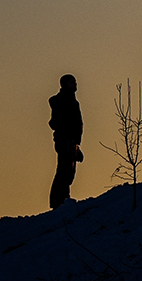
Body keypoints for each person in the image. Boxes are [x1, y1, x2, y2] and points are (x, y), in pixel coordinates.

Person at [48, 74, 84, 209]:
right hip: (65, 140)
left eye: (75, 81)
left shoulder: (72, 101)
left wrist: (77, 145)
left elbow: (77, 123)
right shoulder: (63, 101)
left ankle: (62, 198)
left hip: (72, 141)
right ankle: (58, 201)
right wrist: (67, 138)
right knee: (64, 171)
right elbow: (56, 122)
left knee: (68, 172)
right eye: (71, 82)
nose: (75, 84)